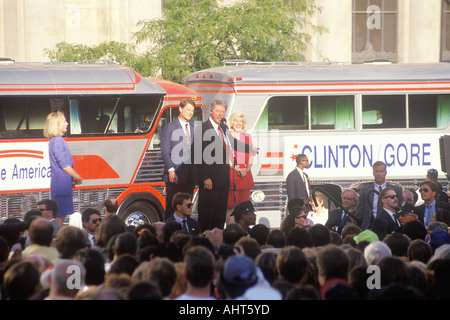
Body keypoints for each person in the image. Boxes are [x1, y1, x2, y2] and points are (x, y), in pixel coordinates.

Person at [44, 110, 83, 226]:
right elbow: (64, 165)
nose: (67, 123)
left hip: (61, 185)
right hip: (62, 186)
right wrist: (77, 176)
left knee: (60, 216)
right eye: (64, 121)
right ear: (56, 124)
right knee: (60, 218)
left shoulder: (53, 141)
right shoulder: (58, 141)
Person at [161, 99, 197, 220]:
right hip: (175, 175)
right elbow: (165, 152)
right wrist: (171, 170)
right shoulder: (170, 127)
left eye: (192, 110)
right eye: (188, 109)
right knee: (173, 208)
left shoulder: (194, 127)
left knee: (187, 208)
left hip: (190, 176)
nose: (190, 112)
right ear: (180, 109)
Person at [356, 161, 403, 230]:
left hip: (390, 226)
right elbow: (360, 211)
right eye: (376, 171)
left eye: (381, 171)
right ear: (373, 173)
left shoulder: (396, 190)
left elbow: (399, 209)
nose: (379, 174)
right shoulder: (365, 191)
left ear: (385, 173)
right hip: (370, 226)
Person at [226, 112, 255, 224]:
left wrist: (247, 169)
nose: (238, 123)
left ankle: (242, 229)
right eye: (236, 120)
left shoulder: (247, 136)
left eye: (241, 121)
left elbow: (251, 154)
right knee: (231, 207)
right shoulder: (227, 136)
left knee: (244, 207)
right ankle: (231, 229)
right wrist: (238, 170)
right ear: (231, 122)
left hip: (245, 175)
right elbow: (227, 156)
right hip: (232, 173)